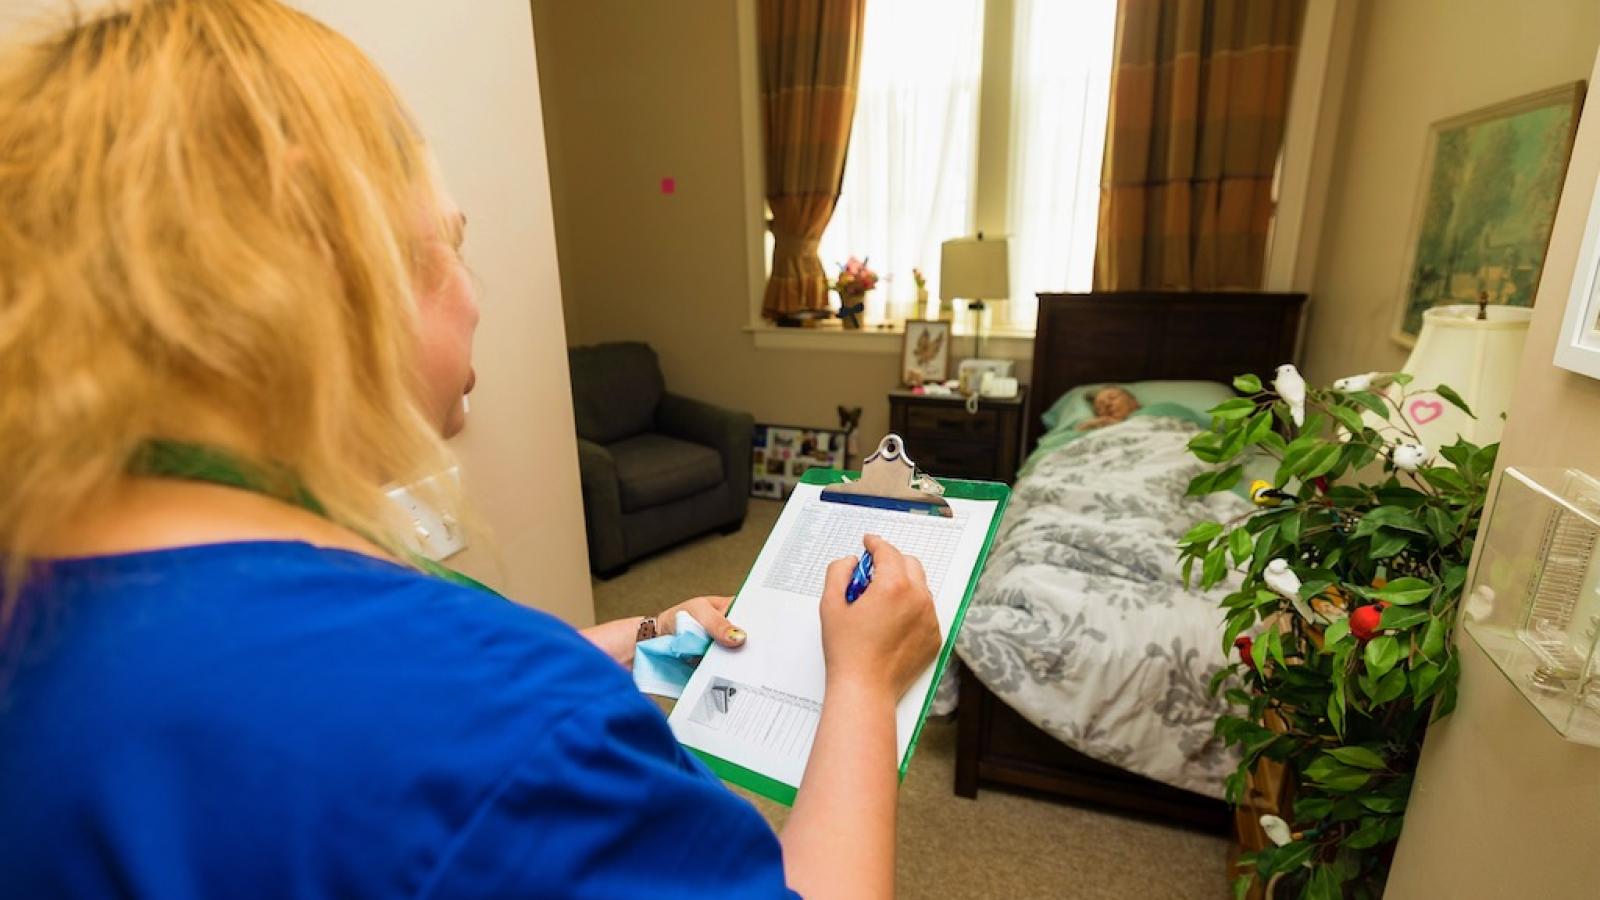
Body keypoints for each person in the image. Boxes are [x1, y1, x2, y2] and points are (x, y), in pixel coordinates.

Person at [0, 2, 941, 898]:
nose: (478, 296)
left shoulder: (56, 585)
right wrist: (863, 681)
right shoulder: (511, 727)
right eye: (450, 244)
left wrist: (637, 637)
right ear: (326, 258)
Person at [1077, 384, 1143, 431]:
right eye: (1099, 407)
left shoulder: (1150, 412)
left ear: (1134, 402)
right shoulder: (1099, 430)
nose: (1107, 404)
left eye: (1112, 398)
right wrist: (1087, 426)